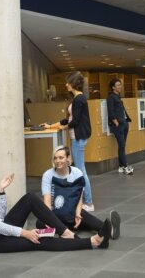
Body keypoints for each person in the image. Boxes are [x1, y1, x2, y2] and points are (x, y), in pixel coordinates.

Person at [0, 153, 110, 253]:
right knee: (39, 240)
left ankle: (65, 231)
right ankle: (94, 242)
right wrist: (25, 233)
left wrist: (1, 192)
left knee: (30, 198)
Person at [41, 146, 121, 239]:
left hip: (72, 211)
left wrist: (78, 213)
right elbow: (47, 200)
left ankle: (110, 229)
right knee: (40, 223)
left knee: (85, 217)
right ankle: (67, 227)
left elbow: (79, 196)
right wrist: (49, 219)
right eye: (55, 158)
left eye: (61, 157)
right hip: (55, 214)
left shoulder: (77, 173)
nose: (58, 161)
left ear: (68, 158)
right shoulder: (48, 175)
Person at [61, 72, 95, 210]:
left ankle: (88, 202)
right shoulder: (77, 98)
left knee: (81, 171)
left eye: (68, 82)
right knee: (80, 169)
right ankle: (86, 200)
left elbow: (75, 121)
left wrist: (64, 126)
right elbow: (70, 119)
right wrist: (54, 124)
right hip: (77, 137)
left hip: (78, 138)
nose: (66, 84)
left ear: (73, 83)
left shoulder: (79, 99)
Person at [107, 78, 133, 175]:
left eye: (120, 85)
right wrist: (115, 122)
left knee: (122, 146)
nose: (120, 87)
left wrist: (125, 121)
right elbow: (110, 111)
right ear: (113, 87)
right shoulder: (111, 97)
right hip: (118, 125)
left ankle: (121, 166)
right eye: (118, 85)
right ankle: (125, 166)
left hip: (124, 123)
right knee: (122, 146)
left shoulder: (118, 97)